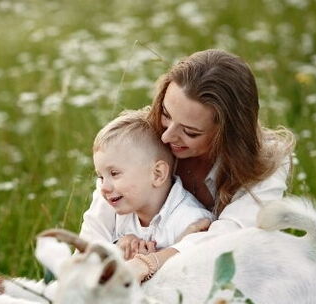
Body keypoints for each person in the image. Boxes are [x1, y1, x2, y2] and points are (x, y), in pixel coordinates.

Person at [81, 49, 294, 281]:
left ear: (227, 135)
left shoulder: (265, 163)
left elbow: (230, 239)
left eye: (190, 132)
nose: (166, 136)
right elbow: (97, 225)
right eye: (166, 113)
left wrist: (151, 262)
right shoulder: (148, 134)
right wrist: (118, 247)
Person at [83, 109, 213, 269]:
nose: (103, 187)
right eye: (101, 177)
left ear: (157, 174)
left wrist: (149, 264)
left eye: (114, 173)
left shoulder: (191, 221)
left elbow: (191, 277)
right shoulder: (122, 211)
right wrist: (118, 248)